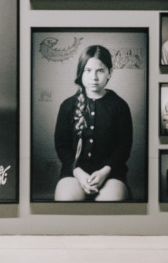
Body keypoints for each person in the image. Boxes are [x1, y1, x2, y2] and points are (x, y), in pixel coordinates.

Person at [53, 45, 132, 201]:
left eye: (100, 71)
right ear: (81, 72)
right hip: (75, 171)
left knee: (110, 202)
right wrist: (78, 173)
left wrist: (104, 172)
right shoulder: (68, 106)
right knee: (66, 200)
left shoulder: (120, 106)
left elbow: (123, 147)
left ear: (110, 73)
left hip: (111, 172)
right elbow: (62, 146)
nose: (94, 77)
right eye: (88, 71)